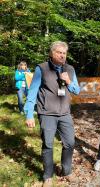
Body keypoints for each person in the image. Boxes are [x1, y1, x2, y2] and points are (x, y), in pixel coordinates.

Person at [24, 41, 80, 187]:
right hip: (47, 113)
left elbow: (77, 90)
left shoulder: (70, 69)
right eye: (59, 52)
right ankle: (48, 175)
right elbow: (32, 92)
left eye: (64, 53)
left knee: (70, 143)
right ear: (51, 53)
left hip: (65, 114)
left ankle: (66, 171)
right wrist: (29, 114)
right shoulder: (41, 69)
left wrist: (68, 81)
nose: (62, 55)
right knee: (48, 144)